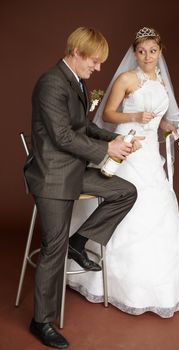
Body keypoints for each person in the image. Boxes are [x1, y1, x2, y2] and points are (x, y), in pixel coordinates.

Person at [67, 26, 179, 317]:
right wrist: (134, 116)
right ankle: (106, 274)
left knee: (157, 207)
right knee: (128, 202)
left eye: (152, 51)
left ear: (160, 52)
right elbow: (107, 114)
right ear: (134, 53)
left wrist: (175, 127)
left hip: (148, 154)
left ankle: (155, 285)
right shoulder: (126, 78)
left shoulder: (161, 81)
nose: (147, 56)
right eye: (142, 51)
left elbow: (158, 119)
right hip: (126, 146)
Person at [24, 27, 144, 349]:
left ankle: (80, 241)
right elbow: (63, 136)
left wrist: (113, 139)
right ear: (76, 52)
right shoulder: (50, 83)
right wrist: (107, 152)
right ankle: (42, 321)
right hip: (51, 176)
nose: (99, 68)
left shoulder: (76, 80)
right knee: (53, 247)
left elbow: (84, 126)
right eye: (94, 61)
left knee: (125, 191)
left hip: (74, 171)